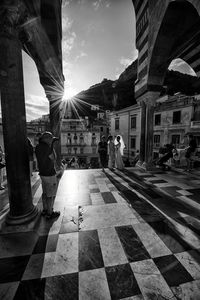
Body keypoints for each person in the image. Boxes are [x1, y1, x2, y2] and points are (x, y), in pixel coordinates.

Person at [35, 131, 60, 219]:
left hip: (42, 173)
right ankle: (50, 213)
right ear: (47, 139)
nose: (51, 140)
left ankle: (45, 210)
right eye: (51, 139)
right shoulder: (47, 147)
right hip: (49, 174)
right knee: (50, 195)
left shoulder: (38, 147)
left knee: (45, 193)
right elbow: (54, 158)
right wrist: (52, 146)